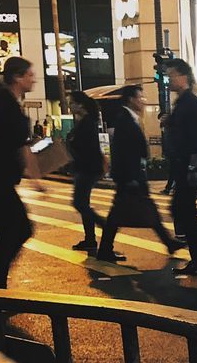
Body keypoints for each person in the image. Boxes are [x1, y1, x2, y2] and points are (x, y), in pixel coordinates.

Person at [96, 84, 181, 264]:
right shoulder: (125, 120)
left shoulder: (129, 118)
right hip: (130, 176)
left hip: (129, 175)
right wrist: (131, 177)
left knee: (120, 215)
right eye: (140, 98)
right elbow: (125, 152)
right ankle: (168, 242)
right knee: (136, 211)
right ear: (131, 100)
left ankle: (105, 249)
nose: (143, 101)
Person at [0, 57, 38, 288]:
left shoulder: (3, 102)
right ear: (17, 78)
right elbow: (18, 145)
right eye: (30, 75)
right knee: (18, 229)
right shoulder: (6, 105)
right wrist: (36, 177)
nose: (34, 80)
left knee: (10, 231)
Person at [162, 58, 197, 281]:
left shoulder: (192, 103)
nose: (168, 79)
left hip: (188, 166)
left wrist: (193, 167)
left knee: (183, 212)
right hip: (183, 164)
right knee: (183, 212)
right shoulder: (182, 103)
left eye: (172, 75)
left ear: (184, 77)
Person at [65, 92, 107, 253]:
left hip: (87, 168)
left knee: (79, 203)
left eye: (72, 103)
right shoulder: (83, 121)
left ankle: (103, 225)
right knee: (83, 203)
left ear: (80, 105)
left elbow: (89, 147)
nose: (70, 106)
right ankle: (90, 239)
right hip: (84, 167)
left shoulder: (87, 122)